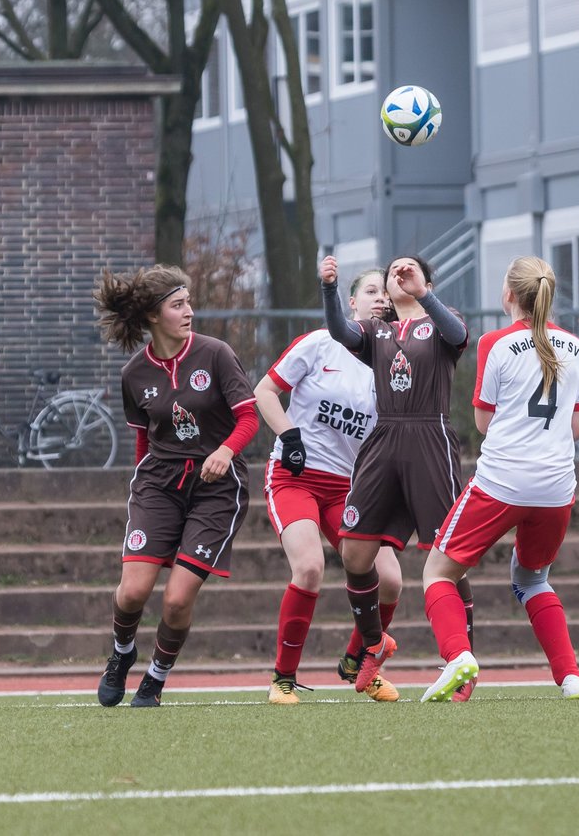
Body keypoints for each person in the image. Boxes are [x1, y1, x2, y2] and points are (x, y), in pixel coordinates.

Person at [419, 256, 579, 703]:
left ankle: (458, 655)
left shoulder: (495, 343)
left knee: (437, 573)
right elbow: (576, 429)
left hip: (502, 481)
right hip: (556, 487)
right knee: (533, 580)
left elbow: (482, 422)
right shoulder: (577, 346)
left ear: (509, 296)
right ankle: (571, 678)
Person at [93, 265, 258, 707]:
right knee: (131, 592)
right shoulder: (134, 373)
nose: (190, 312)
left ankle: (155, 678)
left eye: (188, 303)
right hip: (159, 484)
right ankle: (122, 655)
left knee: (176, 601)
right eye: (177, 305)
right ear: (152, 315)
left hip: (218, 488)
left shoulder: (217, 353)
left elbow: (249, 417)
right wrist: (144, 489)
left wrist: (224, 452)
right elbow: (144, 438)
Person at [320, 252, 476, 699]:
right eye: (393, 270)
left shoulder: (442, 323)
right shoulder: (376, 330)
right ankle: (373, 644)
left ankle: (460, 659)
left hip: (430, 440)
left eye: (410, 268)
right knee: (354, 553)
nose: (400, 274)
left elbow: (459, 334)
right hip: (384, 439)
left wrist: (423, 293)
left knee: (447, 558)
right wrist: (330, 288)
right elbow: (339, 331)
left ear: (427, 279)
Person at [253, 269, 403, 704]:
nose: (379, 300)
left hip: (348, 487)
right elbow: (264, 391)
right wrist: (288, 435)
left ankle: (361, 660)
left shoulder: (394, 359)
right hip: (295, 477)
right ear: (351, 303)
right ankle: (283, 678)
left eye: (385, 295)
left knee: (390, 580)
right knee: (310, 568)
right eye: (370, 292)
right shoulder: (320, 343)